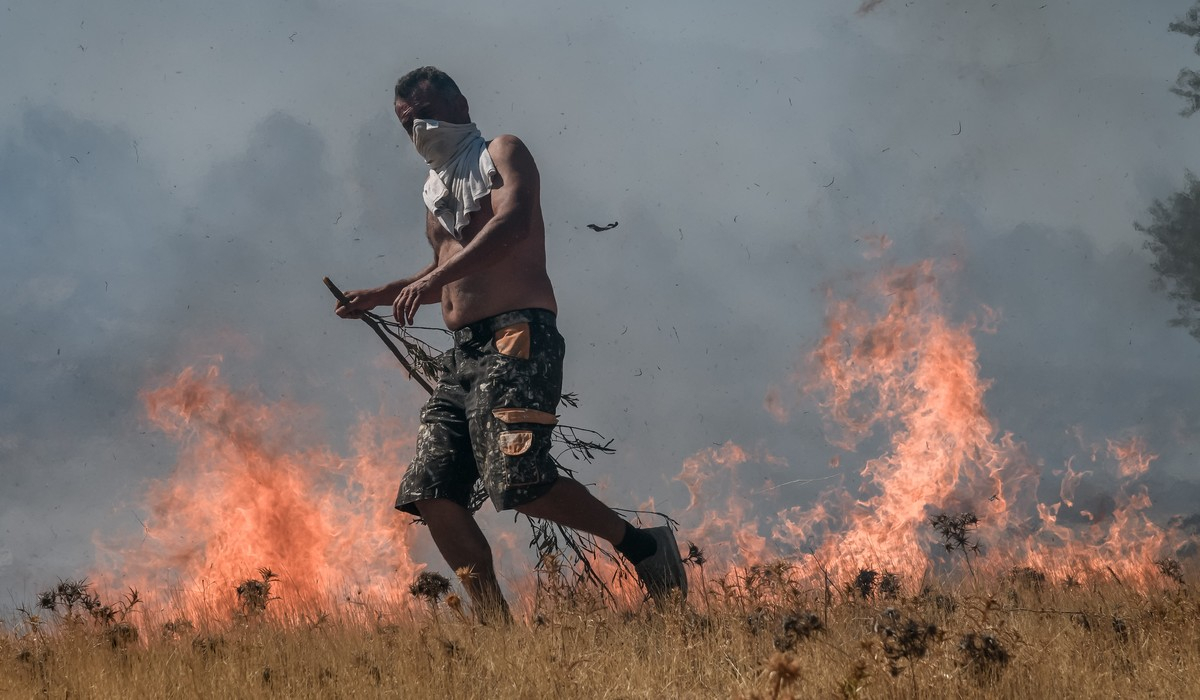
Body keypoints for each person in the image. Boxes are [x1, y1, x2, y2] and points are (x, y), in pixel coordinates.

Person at [335, 66, 686, 619]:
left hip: (517, 338)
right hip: (464, 355)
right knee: (431, 489)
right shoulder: (435, 192)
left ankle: (644, 548)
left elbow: (515, 223)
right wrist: (384, 293)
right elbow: (445, 272)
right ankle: (495, 629)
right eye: (407, 124)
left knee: (519, 476)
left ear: (461, 102)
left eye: (427, 112)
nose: (419, 129)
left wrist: (431, 281)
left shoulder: (502, 151)